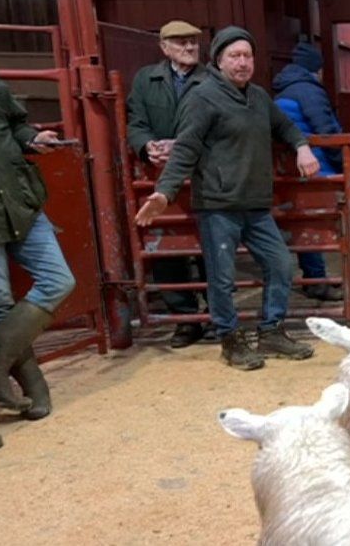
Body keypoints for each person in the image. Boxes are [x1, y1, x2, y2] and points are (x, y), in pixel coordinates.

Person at [135, 26, 320, 371]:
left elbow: (285, 127)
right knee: (222, 277)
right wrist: (165, 191)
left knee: (280, 264)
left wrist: (302, 146)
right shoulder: (203, 98)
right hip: (218, 205)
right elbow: (186, 147)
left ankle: (271, 331)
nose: (242, 62)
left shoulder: (259, 97)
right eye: (234, 56)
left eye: (247, 56)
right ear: (218, 60)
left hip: (255, 204)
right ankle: (230, 340)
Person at [0, 65, 77, 451]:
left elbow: (17, 127)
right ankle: (32, 388)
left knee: (60, 279)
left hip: (21, 201)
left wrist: (33, 137)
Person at [127, 20, 211, 349]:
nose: (189, 48)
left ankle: (217, 315)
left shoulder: (212, 79)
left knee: (211, 247)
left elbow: (222, 125)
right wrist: (146, 146)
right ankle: (185, 320)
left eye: (192, 42)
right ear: (164, 47)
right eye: (180, 43)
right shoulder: (146, 80)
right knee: (167, 249)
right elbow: (135, 122)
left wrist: (185, 145)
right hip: (160, 175)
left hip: (203, 174)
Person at [271, 42, 344, 302]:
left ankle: (314, 278)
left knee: (303, 222)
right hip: (316, 166)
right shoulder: (310, 91)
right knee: (323, 222)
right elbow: (326, 129)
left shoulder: (281, 90)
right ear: (317, 69)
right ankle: (318, 281)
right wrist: (344, 162)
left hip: (291, 167)